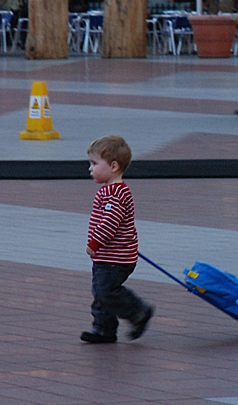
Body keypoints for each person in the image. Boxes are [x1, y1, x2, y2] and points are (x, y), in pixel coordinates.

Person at [81, 135, 154, 343]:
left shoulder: (116, 194)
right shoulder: (109, 191)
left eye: (95, 164)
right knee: (100, 291)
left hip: (115, 259)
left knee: (106, 291)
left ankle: (138, 311)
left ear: (114, 166)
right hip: (109, 256)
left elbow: (110, 223)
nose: (90, 169)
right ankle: (104, 329)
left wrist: (95, 242)